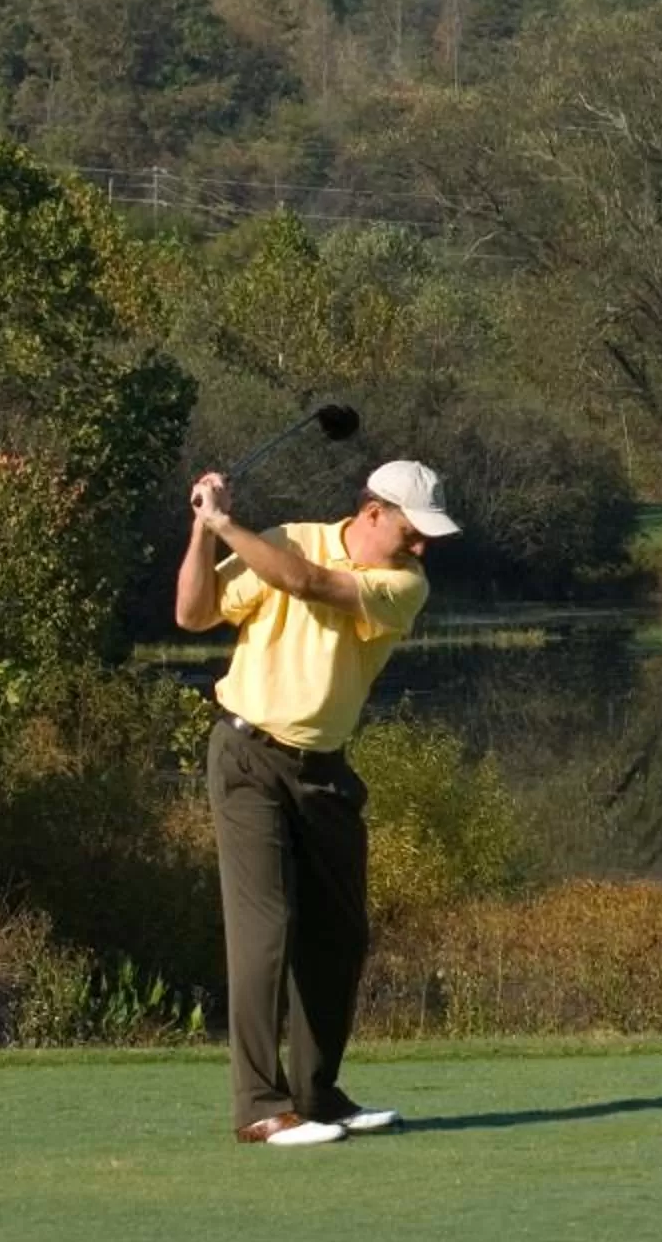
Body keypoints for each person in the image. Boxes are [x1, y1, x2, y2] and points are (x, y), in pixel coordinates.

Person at [174, 457, 459, 1145]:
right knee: (265, 929)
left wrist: (227, 521)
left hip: (325, 772)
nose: (422, 548)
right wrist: (203, 531)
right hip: (247, 757)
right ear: (371, 514)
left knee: (339, 936)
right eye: (412, 532)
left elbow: (304, 582)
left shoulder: (402, 584)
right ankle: (258, 1107)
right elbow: (193, 612)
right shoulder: (286, 538)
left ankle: (316, 1094)